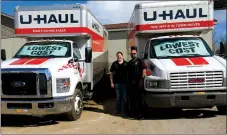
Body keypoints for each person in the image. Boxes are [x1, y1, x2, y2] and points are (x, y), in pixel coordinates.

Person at [127, 46, 147, 119]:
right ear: (130, 54)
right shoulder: (129, 63)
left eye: (134, 53)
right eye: (132, 53)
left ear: (136, 53)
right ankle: (133, 113)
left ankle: (140, 115)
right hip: (131, 84)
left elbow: (144, 69)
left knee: (139, 100)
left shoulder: (140, 61)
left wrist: (141, 79)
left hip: (139, 83)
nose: (133, 55)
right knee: (132, 99)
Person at [110, 52, 129, 116]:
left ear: (122, 56)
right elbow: (111, 74)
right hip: (117, 84)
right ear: (116, 57)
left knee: (125, 98)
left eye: (120, 56)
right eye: (118, 56)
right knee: (118, 98)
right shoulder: (114, 64)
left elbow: (129, 74)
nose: (119, 57)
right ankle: (118, 110)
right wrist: (112, 82)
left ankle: (126, 111)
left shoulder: (126, 63)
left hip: (125, 84)